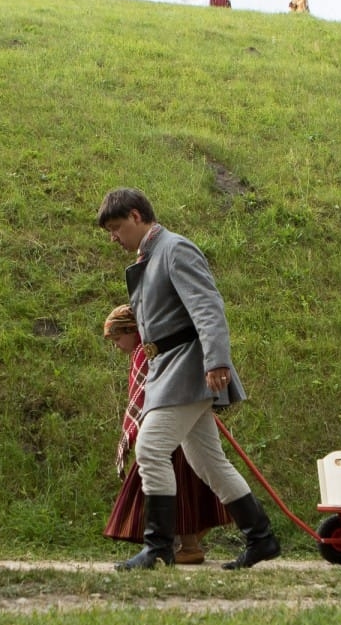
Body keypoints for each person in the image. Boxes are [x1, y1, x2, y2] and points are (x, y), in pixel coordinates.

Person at [97, 188, 280, 570]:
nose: (113, 237)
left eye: (116, 227)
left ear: (135, 216)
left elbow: (208, 306)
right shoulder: (153, 255)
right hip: (172, 368)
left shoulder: (175, 249)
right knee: (208, 463)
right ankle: (261, 538)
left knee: (149, 448)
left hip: (188, 368)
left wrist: (216, 362)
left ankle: (159, 547)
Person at [102, 304, 230, 564]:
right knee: (184, 487)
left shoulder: (146, 353)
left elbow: (151, 392)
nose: (117, 345)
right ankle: (173, 544)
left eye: (118, 338)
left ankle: (186, 545)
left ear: (132, 330)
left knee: (181, 487)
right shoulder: (145, 351)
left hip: (169, 429)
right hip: (172, 425)